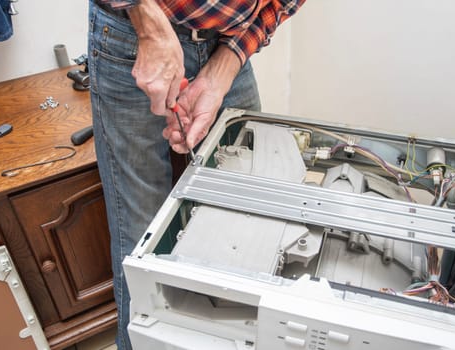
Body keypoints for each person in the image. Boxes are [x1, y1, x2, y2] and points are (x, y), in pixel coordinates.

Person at [87, 0, 306, 348]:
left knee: (258, 209)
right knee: (141, 233)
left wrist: (223, 68)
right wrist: (147, 22)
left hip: (228, 41)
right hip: (133, 34)